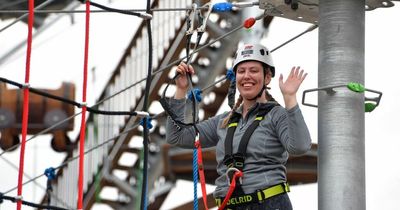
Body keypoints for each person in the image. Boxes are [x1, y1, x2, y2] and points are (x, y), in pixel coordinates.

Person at [165, 43, 311, 210]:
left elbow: (300, 146)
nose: (247, 76)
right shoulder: (224, 121)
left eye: (254, 70)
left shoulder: (276, 115)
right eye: (241, 71)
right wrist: (180, 90)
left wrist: (290, 98)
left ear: (267, 77)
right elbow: (176, 136)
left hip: (268, 204)